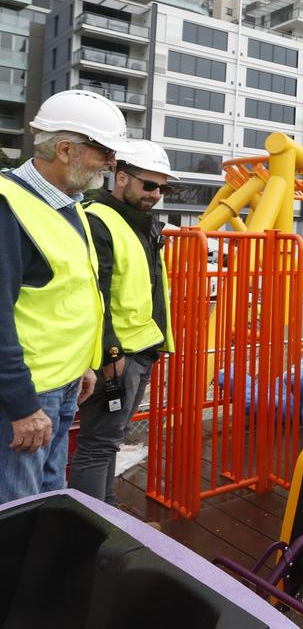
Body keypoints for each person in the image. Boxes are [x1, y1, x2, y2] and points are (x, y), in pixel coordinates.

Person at [0, 90, 131, 504]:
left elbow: (73, 293)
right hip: (28, 396)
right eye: (105, 152)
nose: (112, 163)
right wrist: (21, 406)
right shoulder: (8, 207)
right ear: (64, 149)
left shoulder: (68, 204)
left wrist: (86, 364)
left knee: (49, 498)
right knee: (18, 510)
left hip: (64, 383)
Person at [69, 140, 176, 504]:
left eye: (163, 187)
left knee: (110, 439)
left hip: (141, 349)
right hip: (117, 356)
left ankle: (105, 511)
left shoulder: (140, 223)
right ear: (121, 177)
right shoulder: (98, 219)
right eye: (149, 185)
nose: (157, 194)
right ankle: (92, 522)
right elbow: (92, 291)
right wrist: (110, 350)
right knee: (98, 443)